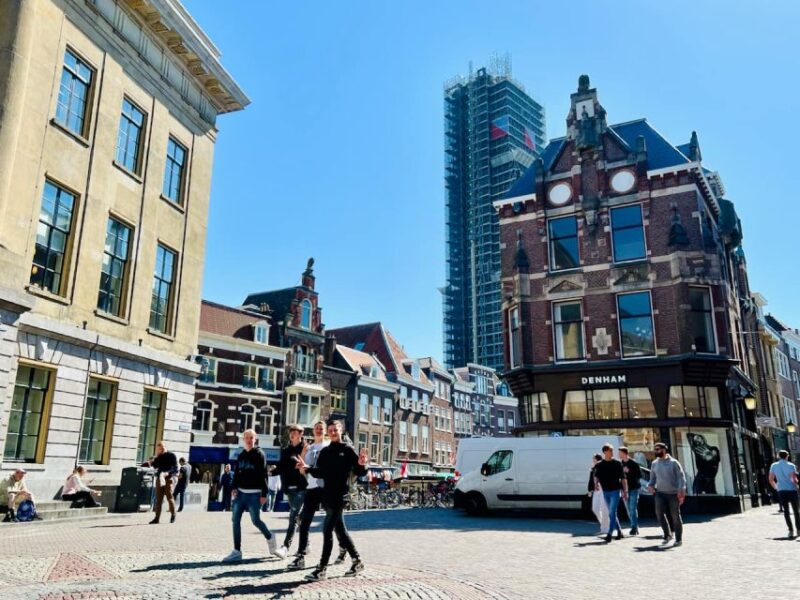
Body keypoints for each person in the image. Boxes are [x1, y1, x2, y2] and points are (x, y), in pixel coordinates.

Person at [295, 420, 367, 581]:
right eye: (331, 430)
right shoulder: (325, 452)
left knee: (327, 530)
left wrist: (362, 465)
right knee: (340, 530)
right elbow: (320, 472)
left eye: (336, 429)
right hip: (327, 496)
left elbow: (358, 471)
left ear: (341, 430)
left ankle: (321, 569)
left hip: (340, 496)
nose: (333, 432)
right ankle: (357, 561)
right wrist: (306, 468)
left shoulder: (347, 450)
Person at [289, 421, 347, 570]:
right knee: (304, 520)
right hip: (312, 488)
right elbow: (303, 471)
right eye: (317, 429)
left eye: (322, 429)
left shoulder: (329, 446)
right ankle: (300, 556)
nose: (319, 431)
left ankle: (343, 548)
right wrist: (302, 456)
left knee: (336, 522)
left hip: (327, 489)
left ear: (325, 431)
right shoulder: (309, 448)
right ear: (313, 431)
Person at [222, 429, 287, 562]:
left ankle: (270, 538)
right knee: (235, 521)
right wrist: (234, 487)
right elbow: (238, 473)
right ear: (243, 439)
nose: (249, 440)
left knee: (256, 520)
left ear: (255, 439)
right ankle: (237, 551)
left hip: (254, 494)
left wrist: (264, 493)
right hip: (240, 493)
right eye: (246, 437)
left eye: (251, 438)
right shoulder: (241, 455)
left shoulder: (260, 454)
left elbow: (263, 475)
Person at [272, 424, 308, 554]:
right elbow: (281, 467)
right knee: (298, 518)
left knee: (293, 516)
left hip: (301, 487)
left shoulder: (305, 448)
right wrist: (271, 472)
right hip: (289, 488)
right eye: (290, 432)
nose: (292, 434)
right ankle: (306, 543)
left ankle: (285, 547)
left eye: (295, 432)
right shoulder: (286, 450)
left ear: (301, 434)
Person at [647, 441, 687, 546]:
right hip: (660, 493)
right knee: (659, 514)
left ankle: (678, 539)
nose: (656, 451)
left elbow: (681, 478)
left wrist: (681, 491)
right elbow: (652, 479)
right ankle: (667, 534)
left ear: (664, 450)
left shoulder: (674, 463)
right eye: (655, 449)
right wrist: (650, 486)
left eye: (658, 449)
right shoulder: (654, 463)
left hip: (674, 494)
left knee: (675, 516)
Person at [593, 443, 628, 542]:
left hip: (616, 490)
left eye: (612, 450)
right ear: (605, 452)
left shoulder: (617, 463)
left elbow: (623, 478)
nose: (612, 452)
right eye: (610, 451)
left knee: (612, 511)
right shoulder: (600, 465)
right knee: (612, 513)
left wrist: (625, 491)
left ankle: (609, 533)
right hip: (606, 491)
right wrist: (596, 484)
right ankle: (620, 531)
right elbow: (596, 476)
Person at [143, 441, 178, 524]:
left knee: (169, 497)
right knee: (158, 500)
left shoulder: (171, 455)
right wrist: (156, 458)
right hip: (159, 479)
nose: (161, 450)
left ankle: (173, 515)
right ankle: (157, 518)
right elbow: (154, 466)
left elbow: (175, 469)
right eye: (159, 448)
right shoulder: (158, 457)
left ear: (165, 447)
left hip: (168, 479)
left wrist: (168, 473)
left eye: (162, 448)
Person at [768, 450, 800, 538]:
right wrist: (797, 484)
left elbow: (771, 479)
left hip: (781, 490)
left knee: (786, 511)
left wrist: (776, 488)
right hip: (792, 489)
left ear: (778, 456)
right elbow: (793, 479)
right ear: (787, 456)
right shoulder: (791, 465)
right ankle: (798, 529)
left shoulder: (774, 465)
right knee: (796, 511)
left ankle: (790, 530)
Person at [619, 446, 642, 535]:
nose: (619, 454)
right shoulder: (620, 464)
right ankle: (634, 526)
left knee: (632, 508)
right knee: (629, 509)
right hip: (624, 490)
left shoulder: (633, 463)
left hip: (633, 489)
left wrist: (629, 472)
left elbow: (639, 475)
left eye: (620, 453)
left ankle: (634, 528)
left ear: (624, 453)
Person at [587, 453, 609, 534]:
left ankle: (605, 528)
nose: (593, 460)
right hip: (596, 490)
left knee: (604, 509)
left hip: (603, 490)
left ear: (597, 459)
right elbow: (591, 480)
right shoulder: (593, 468)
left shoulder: (604, 466)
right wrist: (589, 490)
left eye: (594, 459)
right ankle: (604, 525)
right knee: (595, 509)